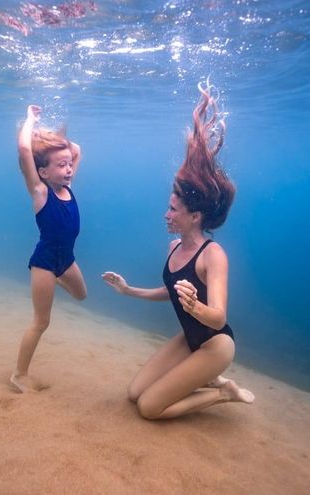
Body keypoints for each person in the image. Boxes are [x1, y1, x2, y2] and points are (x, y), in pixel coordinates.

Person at [102, 80, 254, 419]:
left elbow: (218, 317)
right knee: (133, 393)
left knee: (150, 408)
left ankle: (223, 393)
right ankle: (202, 381)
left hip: (216, 347)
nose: (166, 214)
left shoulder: (213, 255)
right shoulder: (174, 246)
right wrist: (128, 291)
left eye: (174, 210)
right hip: (190, 338)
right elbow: (167, 291)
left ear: (195, 216)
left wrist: (195, 306)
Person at [11, 104, 87, 393]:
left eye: (69, 165)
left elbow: (76, 148)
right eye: (61, 165)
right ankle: (19, 374)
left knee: (82, 295)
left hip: (66, 260)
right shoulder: (41, 191)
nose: (69, 169)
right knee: (41, 322)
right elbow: (24, 150)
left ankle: (55, 282)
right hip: (45, 262)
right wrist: (31, 120)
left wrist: (55, 142)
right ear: (42, 172)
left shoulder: (67, 185)